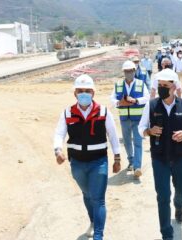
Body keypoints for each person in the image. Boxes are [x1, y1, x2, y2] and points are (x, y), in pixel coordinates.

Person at [53, 74, 121, 240]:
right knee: (87, 194)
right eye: (80, 90)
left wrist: (117, 158)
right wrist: (58, 150)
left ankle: (99, 235)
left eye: (87, 90)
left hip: (99, 162)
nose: (84, 93)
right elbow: (59, 133)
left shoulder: (103, 112)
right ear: (75, 93)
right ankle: (92, 220)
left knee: (98, 199)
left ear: (93, 93)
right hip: (77, 163)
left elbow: (112, 135)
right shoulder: (67, 113)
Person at [138, 68, 182, 240]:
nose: (162, 88)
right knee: (163, 195)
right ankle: (166, 233)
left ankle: (179, 207)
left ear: (174, 87)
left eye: (165, 85)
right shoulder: (151, 105)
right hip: (159, 158)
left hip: (179, 157)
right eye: (160, 85)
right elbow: (140, 128)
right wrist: (149, 131)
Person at [111, 60, 150, 177]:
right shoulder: (118, 85)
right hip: (124, 119)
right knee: (127, 142)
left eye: (131, 71)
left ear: (134, 71)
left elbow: (147, 97)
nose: (129, 73)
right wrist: (119, 103)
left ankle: (137, 167)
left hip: (138, 119)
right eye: (126, 71)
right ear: (124, 72)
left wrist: (136, 100)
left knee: (138, 142)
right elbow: (112, 99)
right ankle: (131, 162)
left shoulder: (140, 84)